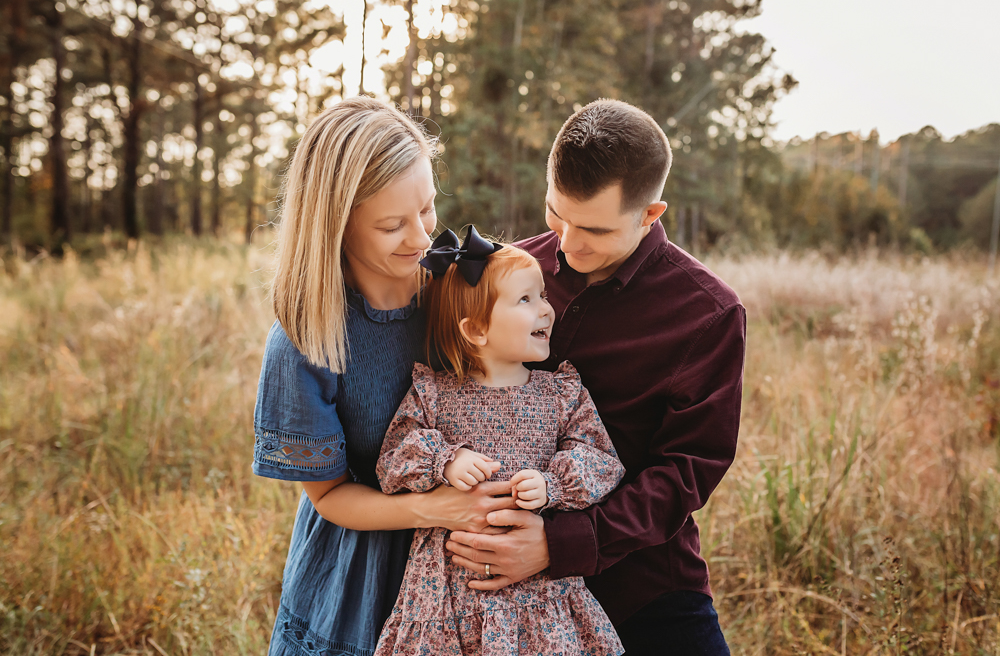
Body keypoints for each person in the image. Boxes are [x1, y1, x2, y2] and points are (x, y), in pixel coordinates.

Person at [444, 99, 746, 655]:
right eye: (556, 215)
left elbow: (686, 471)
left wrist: (559, 545)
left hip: (641, 585)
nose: (566, 244)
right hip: (498, 598)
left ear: (650, 214)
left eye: (595, 230)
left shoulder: (708, 314)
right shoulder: (507, 275)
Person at [252, 97, 515, 656]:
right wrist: (434, 506)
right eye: (393, 225)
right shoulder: (308, 336)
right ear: (337, 225)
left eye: (427, 209)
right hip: (356, 580)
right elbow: (326, 495)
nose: (422, 238)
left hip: (466, 577)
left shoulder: (458, 291)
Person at [373, 227, 626, 656]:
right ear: (477, 330)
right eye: (526, 300)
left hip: (540, 596)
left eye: (543, 295)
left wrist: (554, 484)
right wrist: (443, 462)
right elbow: (393, 459)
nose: (547, 309)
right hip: (448, 595)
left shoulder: (561, 393)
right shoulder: (435, 393)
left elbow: (601, 458)